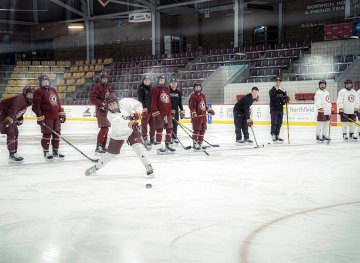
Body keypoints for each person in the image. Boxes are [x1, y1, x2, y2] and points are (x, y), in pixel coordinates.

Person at [85, 93, 154, 177]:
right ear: (107, 106)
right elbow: (121, 123)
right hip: (118, 134)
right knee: (111, 154)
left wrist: (138, 112)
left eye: (114, 103)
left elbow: (138, 104)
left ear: (117, 102)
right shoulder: (110, 116)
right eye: (110, 105)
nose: (113, 106)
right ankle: (96, 168)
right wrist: (132, 123)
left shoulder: (125, 102)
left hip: (131, 131)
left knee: (139, 147)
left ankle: (148, 166)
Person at [32, 74, 66, 161]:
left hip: (56, 117)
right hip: (46, 118)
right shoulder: (39, 91)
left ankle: (55, 151)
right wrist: (40, 116)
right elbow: (35, 106)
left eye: (47, 81)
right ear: (40, 83)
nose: (46, 82)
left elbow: (57, 103)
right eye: (43, 81)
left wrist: (61, 112)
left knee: (57, 134)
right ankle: (46, 152)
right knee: (47, 135)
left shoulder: (53, 90)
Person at [0, 85, 35, 164]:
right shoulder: (20, 99)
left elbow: (20, 109)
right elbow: (13, 110)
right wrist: (8, 120)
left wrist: (20, 118)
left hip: (8, 114)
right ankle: (12, 154)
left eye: (32, 94)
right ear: (25, 93)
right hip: (3, 113)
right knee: (11, 132)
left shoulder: (28, 101)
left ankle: (14, 152)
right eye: (29, 94)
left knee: (16, 132)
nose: (30, 96)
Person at [151, 75, 176, 154]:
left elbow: (168, 100)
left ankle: (168, 144)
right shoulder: (155, 89)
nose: (162, 81)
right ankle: (158, 147)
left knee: (169, 129)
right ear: (158, 80)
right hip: (160, 113)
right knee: (159, 129)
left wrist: (171, 110)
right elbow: (153, 101)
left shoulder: (167, 88)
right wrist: (155, 112)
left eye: (163, 80)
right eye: (161, 80)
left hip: (167, 113)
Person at [188, 82, 215, 151]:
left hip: (203, 117)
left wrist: (209, 110)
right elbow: (191, 106)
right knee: (197, 130)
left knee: (203, 130)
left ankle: (200, 143)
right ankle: (195, 143)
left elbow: (204, 105)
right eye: (196, 87)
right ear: (194, 89)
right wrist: (194, 113)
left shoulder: (203, 95)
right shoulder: (193, 96)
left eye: (199, 87)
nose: (198, 89)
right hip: (197, 117)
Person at [91, 72, 112, 154]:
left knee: (106, 128)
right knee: (104, 127)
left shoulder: (107, 88)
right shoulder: (98, 87)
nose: (105, 80)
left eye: (106, 78)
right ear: (101, 79)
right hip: (100, 111)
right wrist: (101, 104)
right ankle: (98, 146)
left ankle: (103, 146)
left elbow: (111, 97)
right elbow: (93, 98)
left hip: (106, 111)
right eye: (103, 78)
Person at [269, 77, 289, 143]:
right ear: (275, 82)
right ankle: (273, 135)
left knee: (279, 123)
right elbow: (272, 98)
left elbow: (283, 100)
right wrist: (276, 90)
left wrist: (285, 100)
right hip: (274, 109)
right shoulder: (271, 90)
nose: (278, 83)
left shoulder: (282, 90)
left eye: (279, 82)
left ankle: (277, 135)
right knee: (274, 122)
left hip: (280, 109)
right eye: (277, 82)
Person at [138, 75, 155, 146]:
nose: (147, 81)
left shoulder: (151, 89)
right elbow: (140, 99)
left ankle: (152, 138)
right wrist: (143, 107)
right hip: (145, 110)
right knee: (144, 125)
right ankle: (145, 137)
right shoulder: (141, 89)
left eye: (148, 80)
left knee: (153, 125)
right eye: (146, 80)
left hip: (152, 110)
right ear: (143, 81)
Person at [169, 78, 185, 144]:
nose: (174, 84)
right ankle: (169, 138)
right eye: (172, 82)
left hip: (176, 112)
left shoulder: (178, 92)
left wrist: (182, 110)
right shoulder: (167, 91)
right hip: (169, 111)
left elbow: (180, 103)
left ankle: (174, 138)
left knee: (175, 125)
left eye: (175, 82)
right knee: (169, 125)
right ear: (170, 84)